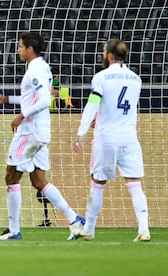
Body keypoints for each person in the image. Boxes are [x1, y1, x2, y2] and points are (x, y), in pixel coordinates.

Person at [0, 32, 84, 240]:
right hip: (40, 131)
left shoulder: (36, 70)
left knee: (11, 175)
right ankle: (75, 219)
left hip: (30, 132)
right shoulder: (42, 67)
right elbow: (34, 97)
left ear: (30, 49)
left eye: (20, 46)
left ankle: (14, 231)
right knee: (39, 181)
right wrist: (6, 99)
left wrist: (21, 116)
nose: (18, 50)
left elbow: (42, 101)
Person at [73, 39, 150, 242]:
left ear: (108, 55)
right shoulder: (136, 79)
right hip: (129, 138)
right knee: (135, 184)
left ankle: (89, 229)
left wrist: (81, 132)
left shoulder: (101, 77)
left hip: (106, 138)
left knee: (98, 182)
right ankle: (144, 228)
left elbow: (93, 104)